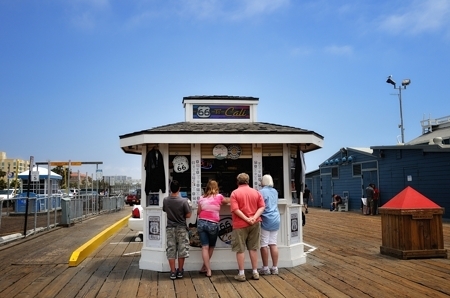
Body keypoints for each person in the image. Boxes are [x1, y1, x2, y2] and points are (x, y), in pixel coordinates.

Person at [230, 173, 265, 282]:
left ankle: (241, 274)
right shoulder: (256, 192)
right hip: (255, 223)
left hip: (240, 224)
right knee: (253, 248)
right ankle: (255, 272)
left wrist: (246, 219)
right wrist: (253, 218)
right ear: (248, 181)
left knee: (240, 249)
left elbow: (235, 209)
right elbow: (262, 206)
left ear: (237, 181)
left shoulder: (235, 193)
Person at [197, 180, 230, 277]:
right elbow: (228, 201)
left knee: (204, 247)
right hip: (213, 224)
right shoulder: (219, 197)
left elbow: (199, 211)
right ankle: (207, 269)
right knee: (211, 246)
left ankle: (206, 268)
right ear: (216, 187)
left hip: (201, 223)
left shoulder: (201, 198)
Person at [162, 180, 192, 280]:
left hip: (170, 227)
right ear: (179, 189)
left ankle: (172, 272)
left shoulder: (166, 200)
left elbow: (165, 210)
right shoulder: (184, 201)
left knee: (171, 249)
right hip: (181, 227)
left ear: (170, 189)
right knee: (182, 249)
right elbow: (188, 215)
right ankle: (180, 271)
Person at [258, 174, 280, 275]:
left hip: (266, 219)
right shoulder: (275, 191)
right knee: (273, 243)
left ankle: (265, 268)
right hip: (276, 218)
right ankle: (275, 267)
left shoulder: (261, 192)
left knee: (264, 244)